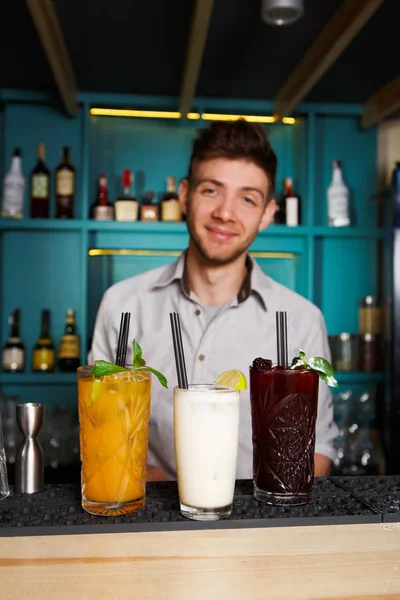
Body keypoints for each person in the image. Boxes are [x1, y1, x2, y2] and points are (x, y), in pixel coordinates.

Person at [88, 119, 338, 481]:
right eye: (211, 191)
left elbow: (320, 449)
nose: (225, 212)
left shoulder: (301, 319)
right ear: (185, 195)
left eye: (248, 198)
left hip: (259, 529)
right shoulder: (122, 304)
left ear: (268, 213)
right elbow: (99, 432)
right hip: (146, 524)